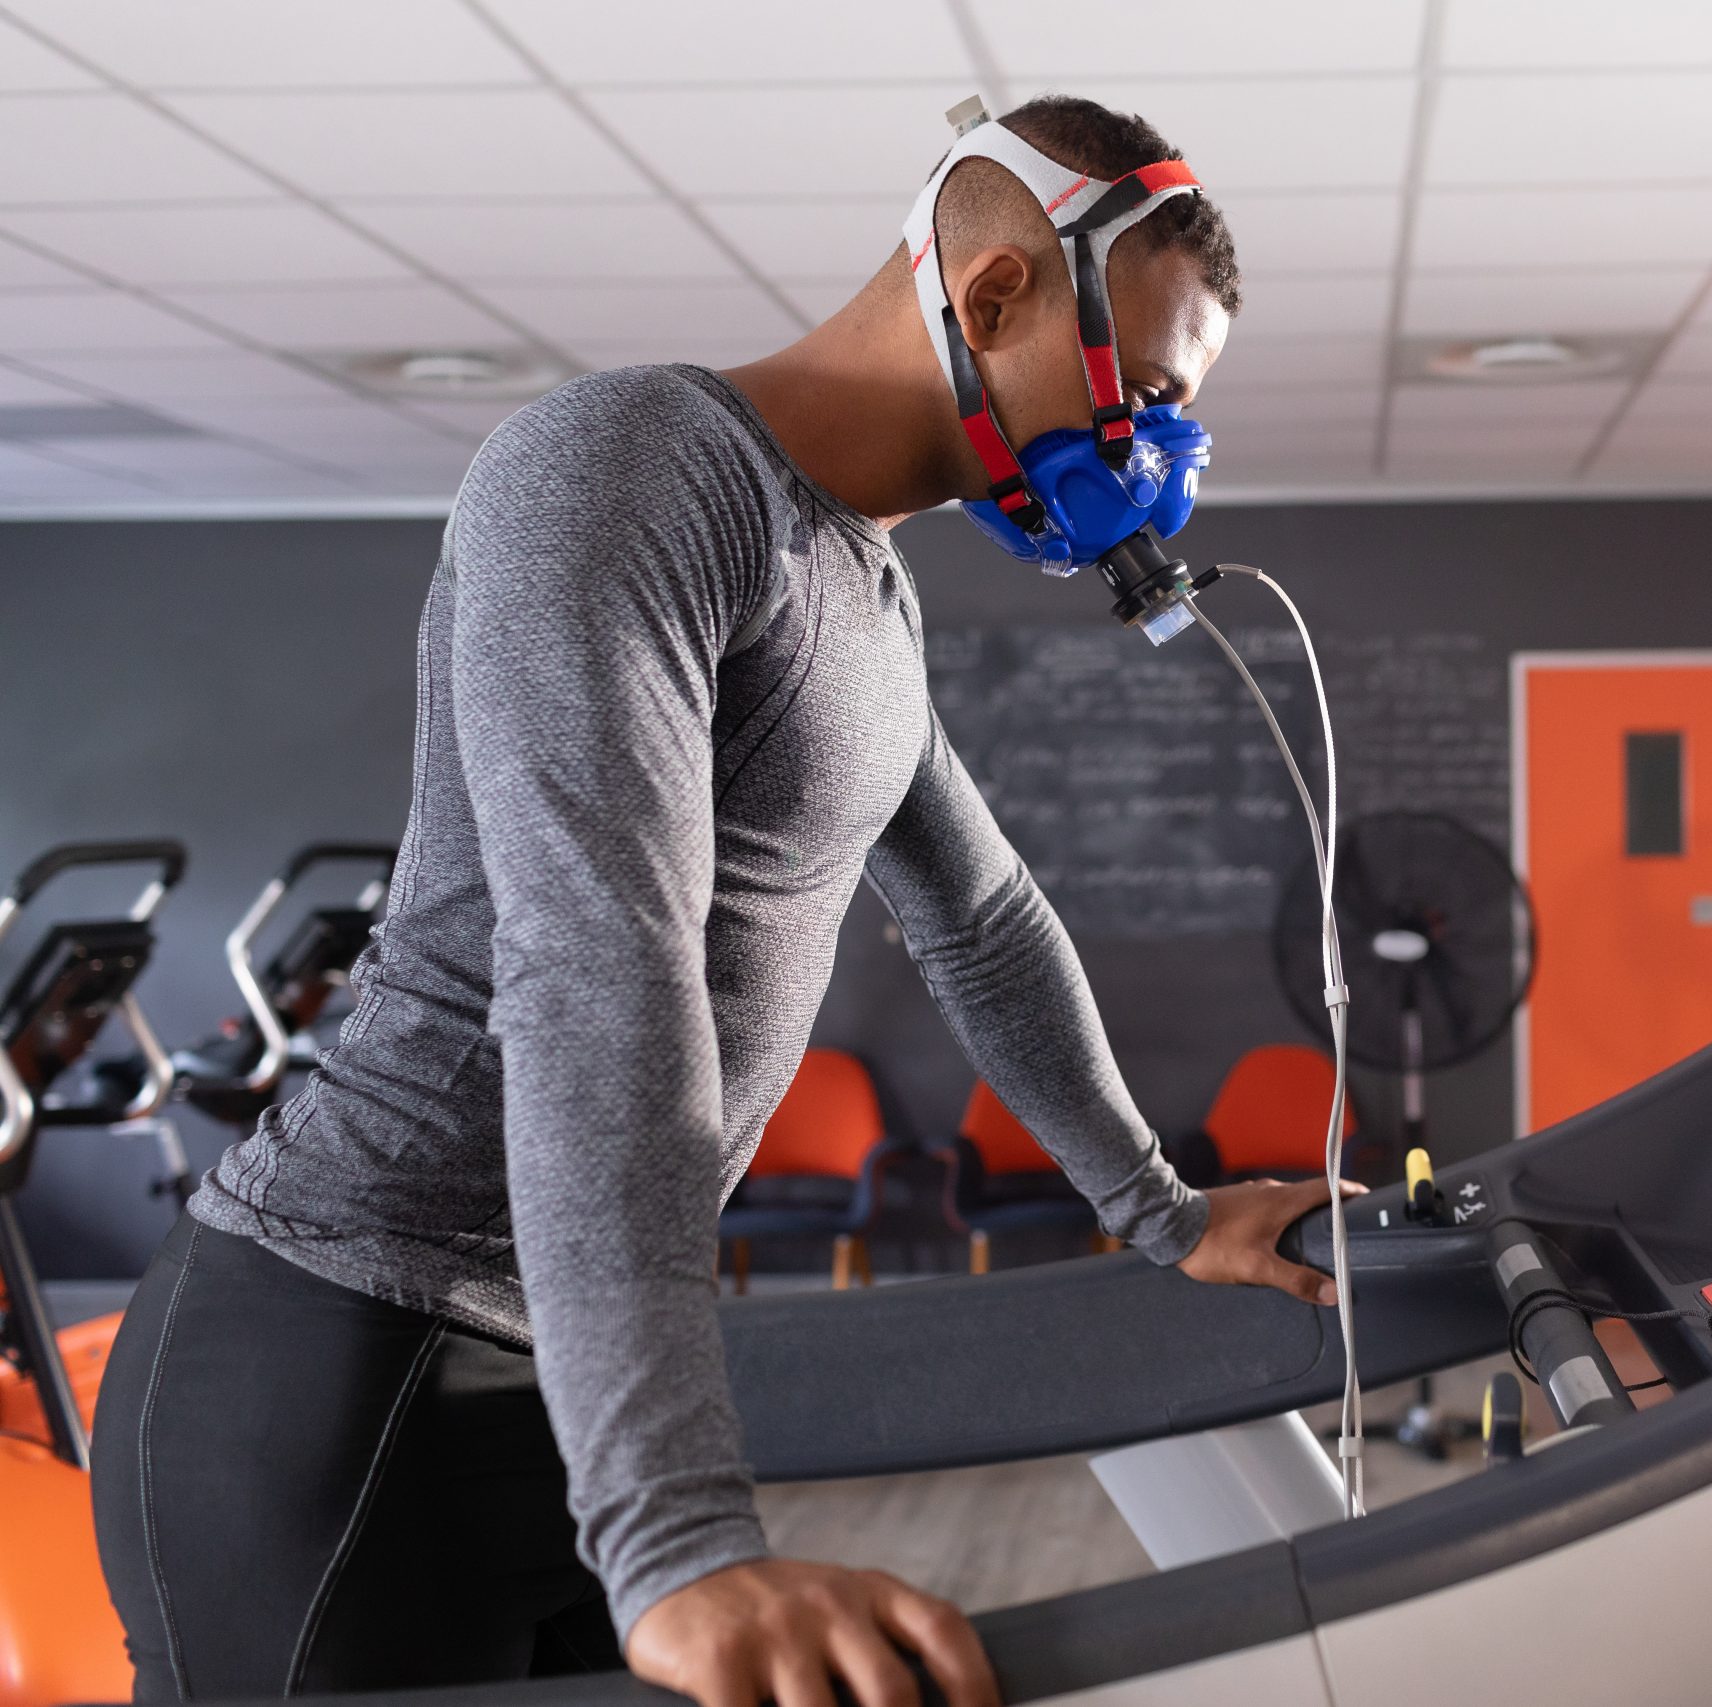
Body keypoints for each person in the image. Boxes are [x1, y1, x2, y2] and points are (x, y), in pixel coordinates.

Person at [91, 95, 1343, 1707]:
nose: (1155, 456)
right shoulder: (629, 470)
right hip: (336, 1348)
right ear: (997, 292)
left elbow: (984, 918)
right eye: (1149, 393)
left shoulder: (865, 589)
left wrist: (1164, 1214)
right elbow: (595, 970)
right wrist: (678, 1537)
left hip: (542, 1369)